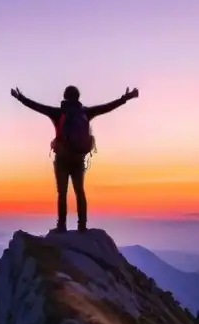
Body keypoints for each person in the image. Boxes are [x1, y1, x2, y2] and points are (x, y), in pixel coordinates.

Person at [10, 84, 139, 233]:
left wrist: (20, 98)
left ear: (65, 97)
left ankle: (61, 226)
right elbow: (107, 107)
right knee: (80, 192)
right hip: (78, 159)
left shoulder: (59, 113)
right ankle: (82, 226)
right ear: (78, 97)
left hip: (62, 158)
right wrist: (126, 98)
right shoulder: (85, 112)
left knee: (62, 193)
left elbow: (37, 107)